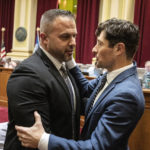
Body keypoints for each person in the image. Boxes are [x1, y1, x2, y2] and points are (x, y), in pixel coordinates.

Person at [15, 18, 145, 150]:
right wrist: (69, 58)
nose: (94, 49)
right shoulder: (111, 76)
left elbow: (96, 147)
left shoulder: (126, 95)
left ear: (118, 49)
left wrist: (43, 140)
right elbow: (86, 89)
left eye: (100, 44)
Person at [4, 9, 82, 150]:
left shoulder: (63, 65)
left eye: (74, 36)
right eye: (65, 37)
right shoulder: (28, 74)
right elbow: (35, 141)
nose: (73, 43)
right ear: (44, 38)